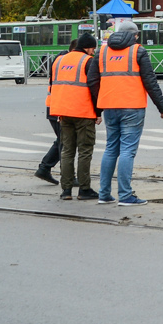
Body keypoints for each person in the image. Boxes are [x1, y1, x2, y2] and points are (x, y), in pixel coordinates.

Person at [96, 21, 163, 206]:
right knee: (127, 150)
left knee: (111, 148)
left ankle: (104, 194)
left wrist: (98, 108)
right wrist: (162, 108)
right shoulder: (138, 51)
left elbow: (92, 80)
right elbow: (150, 81)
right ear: (135, 35)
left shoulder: (102, 52)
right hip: (132, 107)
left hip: (109, 107)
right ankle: (126, 196)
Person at [49, 33, 101, 201]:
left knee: (67, 151)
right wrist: (98, 112)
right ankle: (84, 189)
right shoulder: (87, 61)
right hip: (83, 112)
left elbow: (55, 85)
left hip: (63, 113)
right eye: (93, 48)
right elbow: (94, 87)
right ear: (87, 47)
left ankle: (66, 190)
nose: (93, 51)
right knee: (85, 151)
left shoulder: (58, 60)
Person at [34, 40, 74, 185]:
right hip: (57, 108)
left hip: (54, 108)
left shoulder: (58, 66)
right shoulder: (63, 69)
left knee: (62, 140)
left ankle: (45, 169)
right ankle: (65, 175)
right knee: (65, 142)